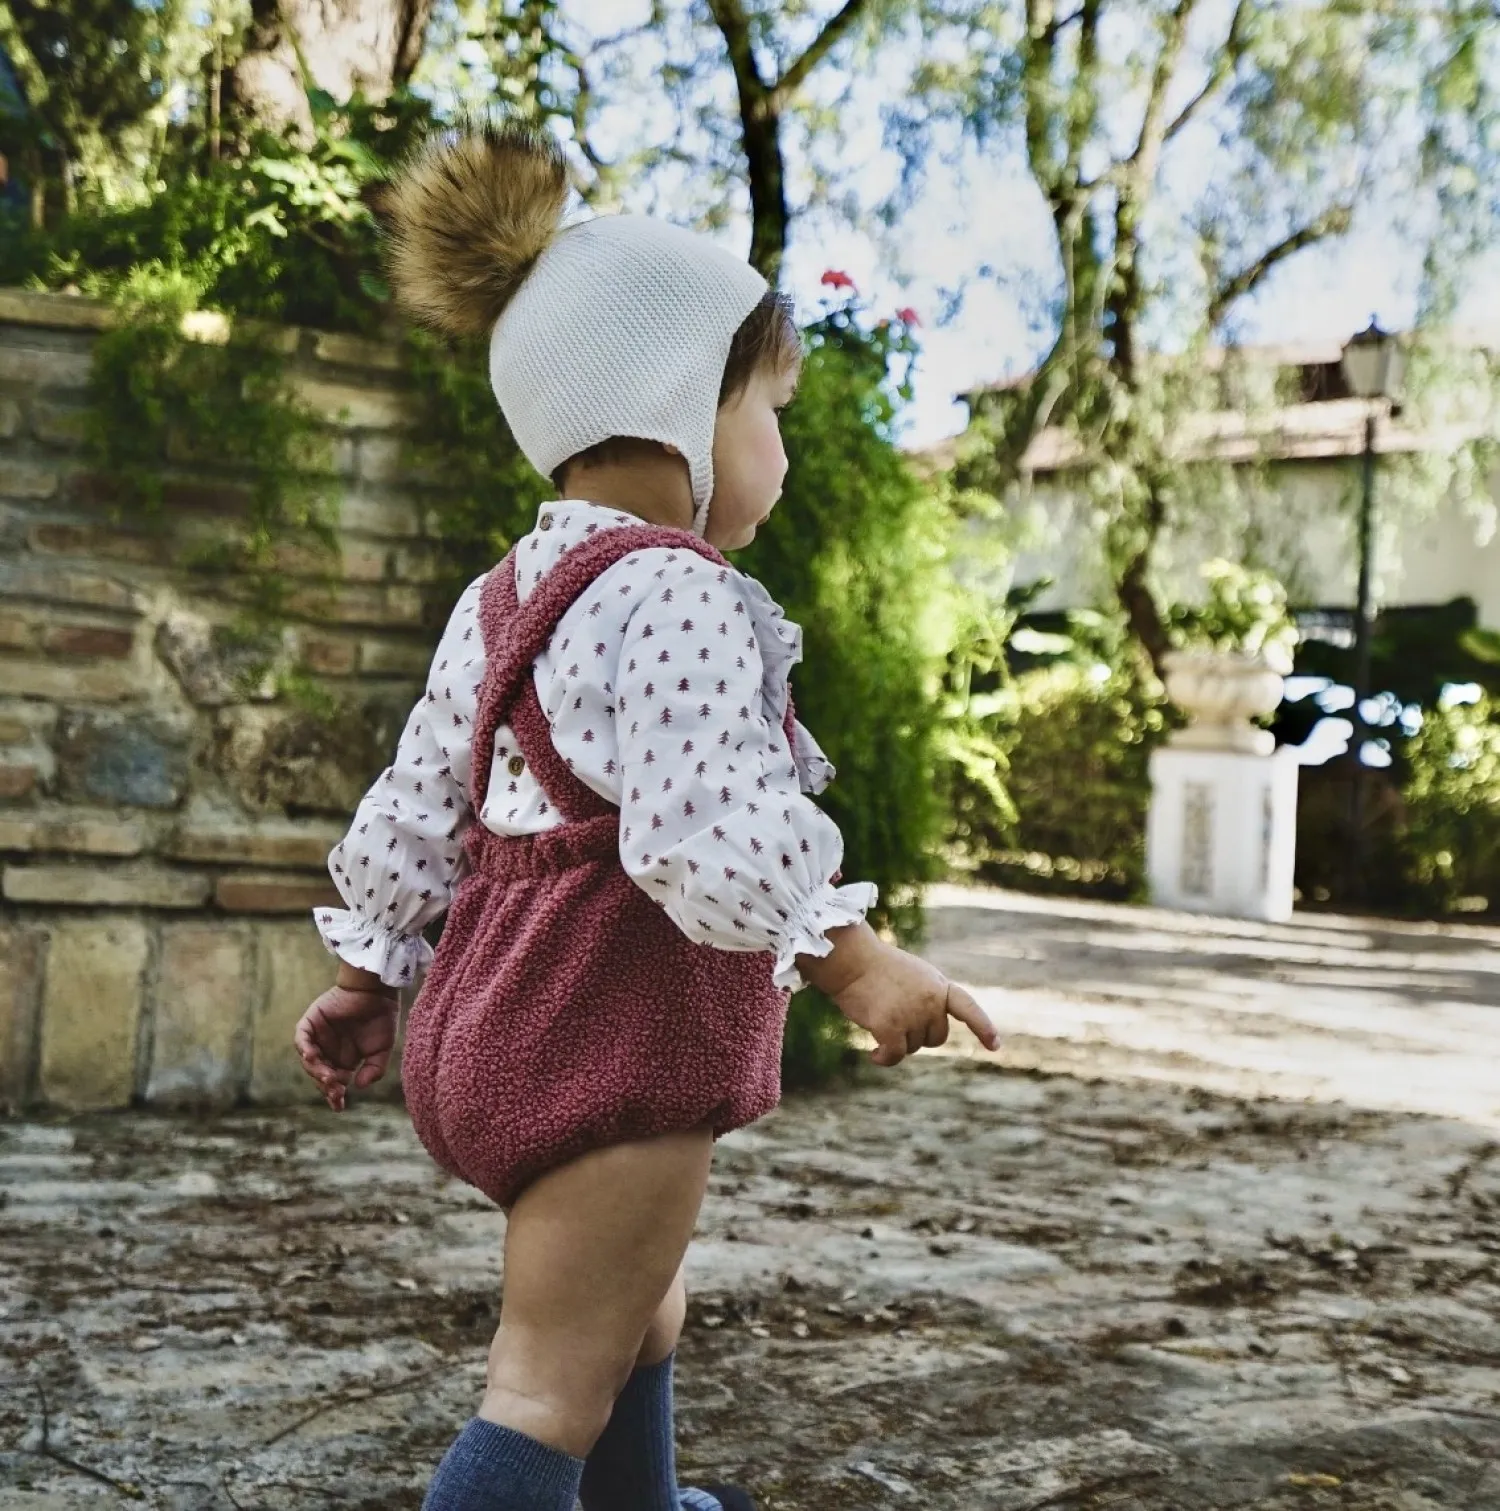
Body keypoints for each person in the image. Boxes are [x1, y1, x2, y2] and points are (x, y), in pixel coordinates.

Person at [293, 119, 998, 1511]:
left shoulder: (504, 597)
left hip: (491, 1035)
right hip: (603, 1041)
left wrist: (367, 974)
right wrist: (857, 964)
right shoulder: (673, 589)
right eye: (768, 411)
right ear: (679, 405)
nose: (779, 450)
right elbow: (705, 829)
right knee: (550, 1375)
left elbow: (418, 806)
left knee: (636, 1308)